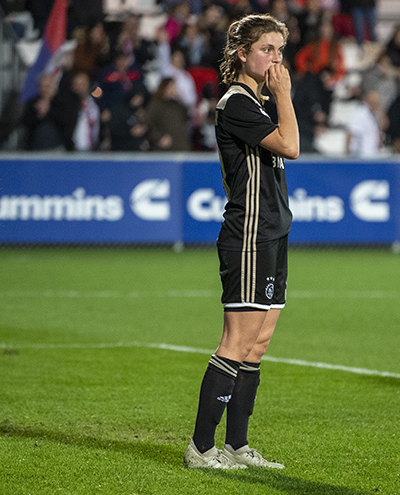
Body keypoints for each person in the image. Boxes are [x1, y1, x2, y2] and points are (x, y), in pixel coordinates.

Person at [184, 13, 298, 471]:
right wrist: (285, 95)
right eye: (267, 49)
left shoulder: (256, 101)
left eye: (280, 50)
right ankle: (201, 448)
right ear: (241, 54)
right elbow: (290, 146)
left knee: (259, 342)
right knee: (237, 341)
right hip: (249, 232)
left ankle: (236, 445)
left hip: (272, 231)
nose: (276, 59)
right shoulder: (236, 102)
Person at [145, 77, 192, 151]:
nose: (173, 91)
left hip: (181, 145)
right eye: (170, 88)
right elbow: (148, 124)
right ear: (164, 88)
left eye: (174, 88)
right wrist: (159, 138)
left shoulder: (177, 105)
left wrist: (181, 100)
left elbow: (186, 117)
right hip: (164, 148)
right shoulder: (156, 104)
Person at [346, 89, 384, 157]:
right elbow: (350, 132)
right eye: (374, 102)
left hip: (372, 153)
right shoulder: (360, 114)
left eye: (377, 102)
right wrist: (348, 152)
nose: (376, 104)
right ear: (368, 101)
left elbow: (382, 128)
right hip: (360, 155)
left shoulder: (376, 115)